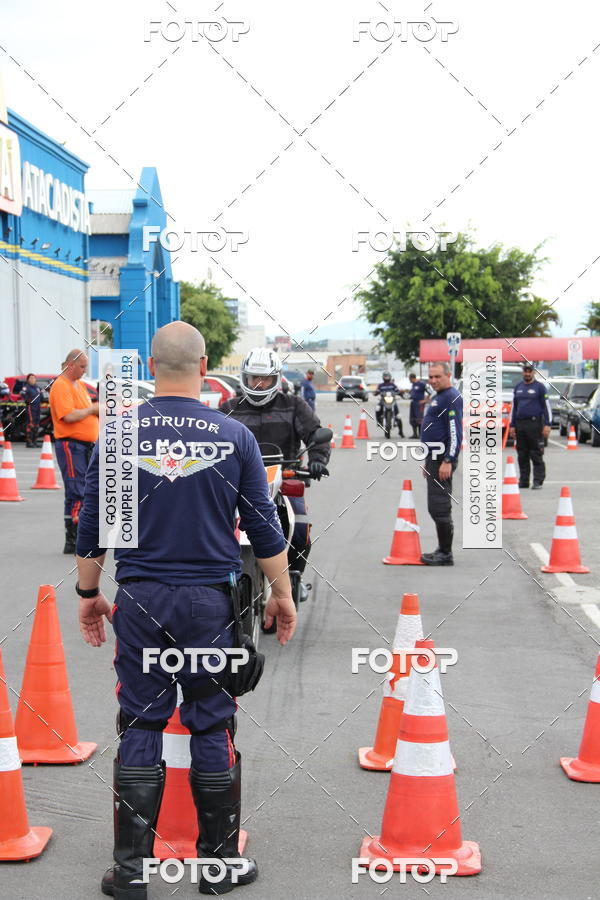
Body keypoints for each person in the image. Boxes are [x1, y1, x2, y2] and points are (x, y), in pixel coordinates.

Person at [75, 322, 297, 898]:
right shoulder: (235, 436)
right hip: (209, 606)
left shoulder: (118, 434)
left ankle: (131, 871)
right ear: (203, 367)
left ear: (152, 367)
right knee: (212, 720)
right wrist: (282, 594)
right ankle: (218, 865)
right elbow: (264, 528)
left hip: (141, 599)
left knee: (141, 722)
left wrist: (88, 595)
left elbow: (93, 526)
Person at [221, 348, 330, 599]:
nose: (259, 385)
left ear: (276, 379)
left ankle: (294, 578)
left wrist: (317, 461)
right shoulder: (229, 408)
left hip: (284, 480)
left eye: (266, 379)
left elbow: (316, 435)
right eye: (254, 378)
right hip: (237, 484)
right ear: (245, 378)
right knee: (213, 526)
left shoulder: (294, 405)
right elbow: (210, 442)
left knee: (300, 530)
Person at [49, 350, 99, 554]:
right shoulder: (61, 385)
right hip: (71, 445)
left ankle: (78, 536)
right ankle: (74, 538)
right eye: (82, 366)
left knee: (82, 490)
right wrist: (93, 410)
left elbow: (83, 412)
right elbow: (68, 416)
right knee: (77, 491)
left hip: (83, 446)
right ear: (70, 365)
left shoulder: (78, 385)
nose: (85, 370)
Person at [419, 361, 463, 566]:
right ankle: (442, 549)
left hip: (442, 459)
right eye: (431, 377)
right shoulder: (439, 397)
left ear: (448, 376)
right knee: (435, 506)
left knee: (440, 506)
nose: (434, 380)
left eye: (438, 376)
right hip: (434, 458)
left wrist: (448, 460)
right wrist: (428, 460)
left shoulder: (451, 397)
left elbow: (455, 432)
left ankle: (446, 554)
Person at [509, 363, 552, 489]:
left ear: (534, 373)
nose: (527, 374)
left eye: (530, 371)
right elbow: (514, 408)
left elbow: (546, 407)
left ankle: (538, 481)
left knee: (536, 453)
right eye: (525, 371)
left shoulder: (540, 388)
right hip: (520, 424)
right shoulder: (518, 387)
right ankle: (524, 481)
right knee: (522, 454)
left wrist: (548, 424)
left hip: (535, 424)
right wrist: (512, 425)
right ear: (523, 372)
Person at [374, 371, 404, 437]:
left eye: (387, 376)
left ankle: (401, 432)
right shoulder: (380, 385)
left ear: (390, 377)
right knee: (377, 408)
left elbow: (397, 391)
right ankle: (379, 421)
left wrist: (401, 393)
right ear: (383, 377)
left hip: (392, 401)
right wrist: (376, 392)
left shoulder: (393, 385)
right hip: (383, 401)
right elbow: (376, 391)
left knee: (398, 415)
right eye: (385, 376)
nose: (386, 377)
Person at [21, 374, 42, 447]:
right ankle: (29, 442)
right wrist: (27, 400)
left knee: (37, 424)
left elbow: (42, 396)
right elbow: (22, 394)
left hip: (38, 407)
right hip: (31, 407)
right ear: (28, 380)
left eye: (34, 378)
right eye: (31, 378)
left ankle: (34, 441)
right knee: (31, 424)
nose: (33, 379)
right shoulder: (26, 387)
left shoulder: (37, 387)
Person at [407, 372, 431, 439]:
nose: (409, 381)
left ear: (412, 378)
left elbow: (430, 392)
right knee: (412, 419)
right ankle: (415, 434)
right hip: (413, 403)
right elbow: (412, 392)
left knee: (419, 419)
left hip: (419, 404)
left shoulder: (421, 384)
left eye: (409, 379)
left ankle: (421, 435)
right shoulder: (413, 384)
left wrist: (425, 400)